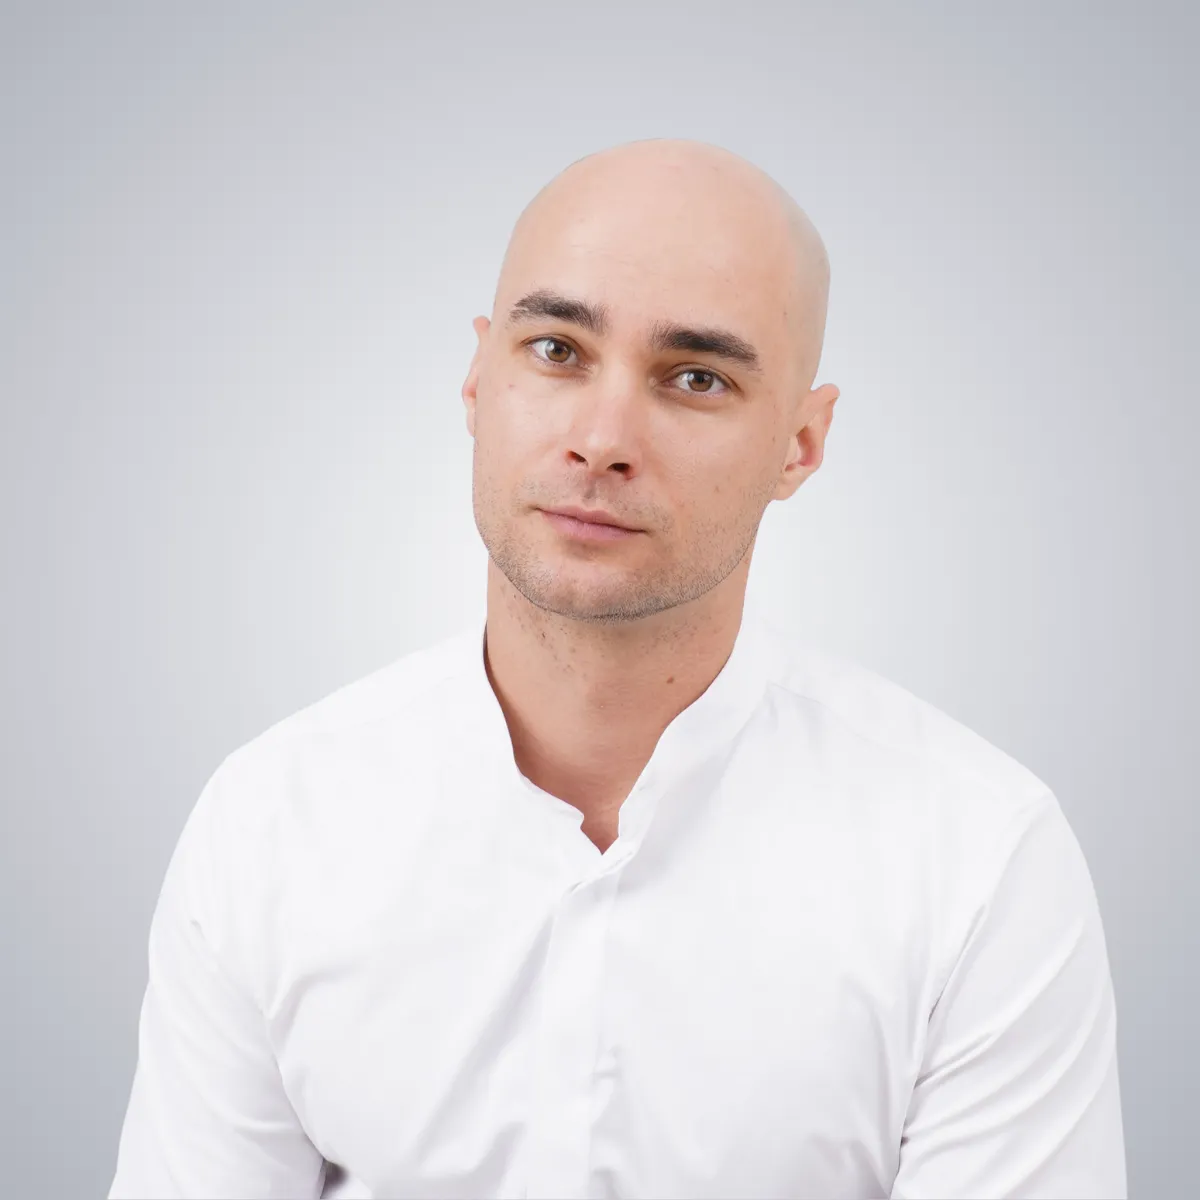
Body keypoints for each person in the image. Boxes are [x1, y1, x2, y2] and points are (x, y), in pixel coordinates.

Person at [108, 137, 1126, 1199]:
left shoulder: (977, 861)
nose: (602, 438)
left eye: (695, 377)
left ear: (801, 444)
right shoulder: (271, 825)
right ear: (475, 376)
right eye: (555, 350)